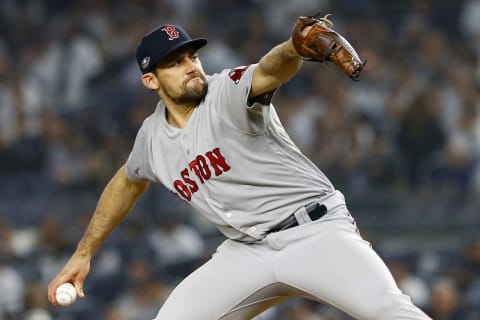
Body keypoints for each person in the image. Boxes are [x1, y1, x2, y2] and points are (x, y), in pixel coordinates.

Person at [48, 21, 431, 320]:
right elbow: (126, 182)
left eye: (192, 57)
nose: (191, 67)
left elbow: (269, 70)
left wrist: (293, 47)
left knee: (387, 311)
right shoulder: (151, 138)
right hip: (246, 253)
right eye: (175, 62)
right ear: (151, 80)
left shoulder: (226, 91)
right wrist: (84, 253)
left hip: (315, 233)